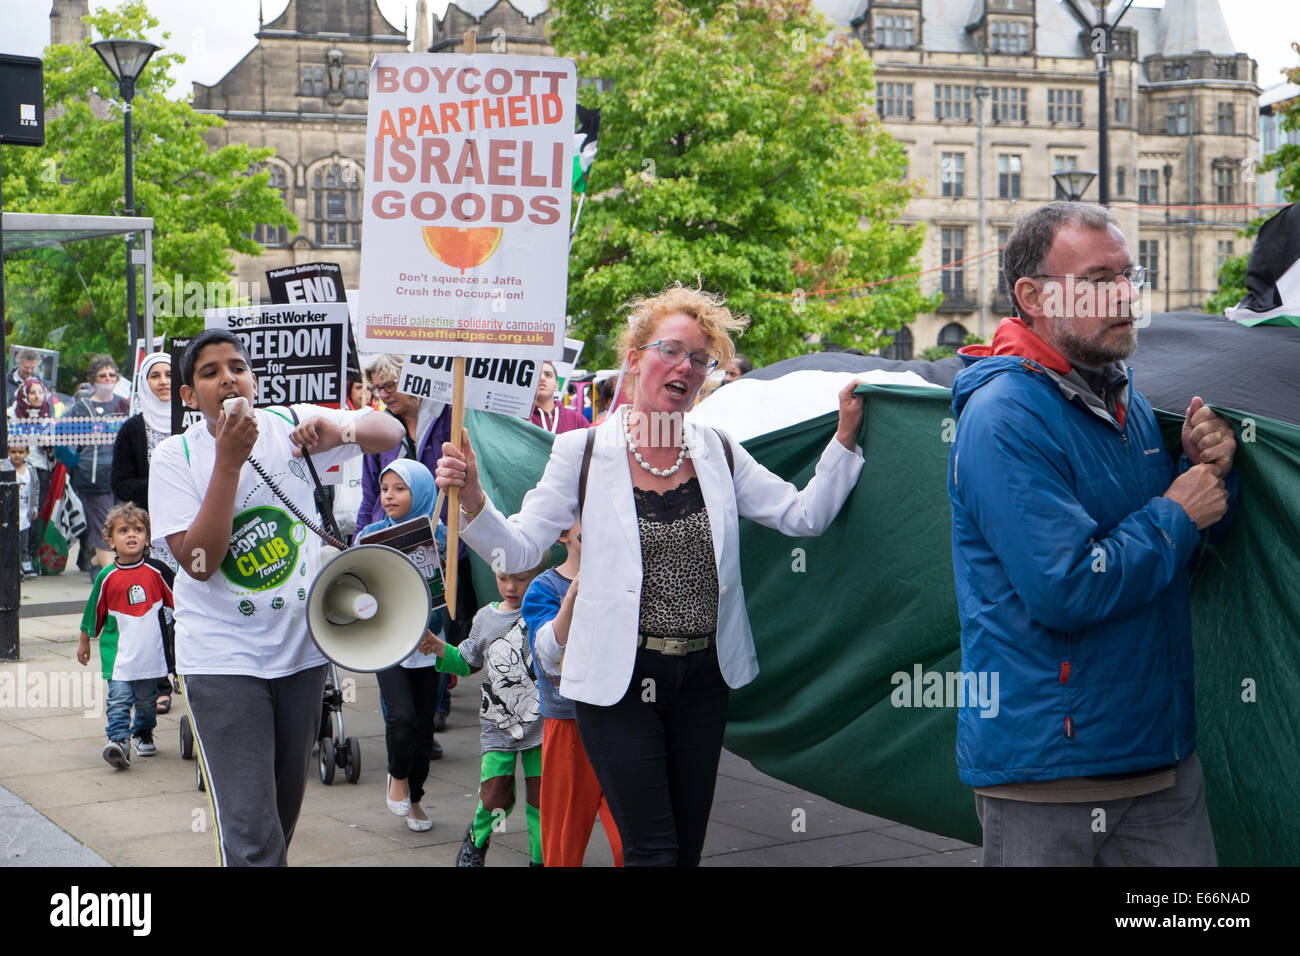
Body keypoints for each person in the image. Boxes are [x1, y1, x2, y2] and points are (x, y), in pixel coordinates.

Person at [436, 284, 867, 866]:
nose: (687, 367)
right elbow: (515, 553)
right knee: (653, 849)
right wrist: (475, 502)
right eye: (673, 350)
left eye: (700, 359)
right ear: (635, 359)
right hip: (618, 680)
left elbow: (802, 515)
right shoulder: (581, 450)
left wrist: (843, 440)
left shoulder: (717, 449)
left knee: (684, 850)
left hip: (702, 679)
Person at [948, 202, 1239, 867]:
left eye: (1128, 276)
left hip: (1157, 759)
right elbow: (1067, 587)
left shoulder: (1118, 397)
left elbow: (1169, 553)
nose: (1126, 295)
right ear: (1033, 296)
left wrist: (1207, 471)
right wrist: (1177, 508)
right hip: (1047, 777)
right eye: (1100, 278)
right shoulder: (1004, 416)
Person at [148, 329, 403, 866]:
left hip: (300, 656)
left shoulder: (290, 422)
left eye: (237, 367)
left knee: (279, 821)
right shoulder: (175, 456)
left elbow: (391, 432)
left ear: (254, 380)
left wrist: (342, 427)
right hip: (222, 662)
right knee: (252, 835)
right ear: (190, 396)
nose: (227, 379)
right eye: (210, 372)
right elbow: (199, 563)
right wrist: (228, 463)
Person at [358, 353, 475, 736]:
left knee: (436, 622)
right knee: (388, 622)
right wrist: (359, 537)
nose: (383, 394)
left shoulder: (449, 417)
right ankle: (399, 721)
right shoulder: (380, 428)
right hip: (387, 539)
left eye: (389, 385)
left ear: (413, 381)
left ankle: (432, 710)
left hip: (440, 540)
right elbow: (369, 489)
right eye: (376, 388)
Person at [427, 565, 546, 866]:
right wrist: (440, 647)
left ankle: (541, 859)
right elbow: (468, 662)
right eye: (503, 578)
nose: (511, 586)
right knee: (495, 798)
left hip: (542, 729)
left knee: (543, 801)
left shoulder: (546, 611)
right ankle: (476, 843)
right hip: (498, 728)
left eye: (521, 579)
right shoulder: (485, 618)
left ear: (538, 575)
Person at [522, 519, 624, 867]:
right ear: (565, 533)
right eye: (587, 511)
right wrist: (574, 596)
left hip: (621, 720)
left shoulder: (624, 578)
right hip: (569, 723)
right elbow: (548, 657)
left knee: (634, 840)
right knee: (563, 843)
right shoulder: (543, 588)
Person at [355, 459, 448, 833]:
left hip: (429, 644)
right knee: (401, 715)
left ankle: (417, 799)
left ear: (422, 492)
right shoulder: (370, 535)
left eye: (400, 489)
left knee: (424, 728)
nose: (389, 497)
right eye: (385, 488)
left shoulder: (442, 533)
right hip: (386, 641)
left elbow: (450, 594)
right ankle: (397, 776)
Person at [76, 503, 174, 769]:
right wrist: (85, 639)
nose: (131, 535)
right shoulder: (106, 577)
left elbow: (180, 603)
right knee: (118, 699)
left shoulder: (157, 573)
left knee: (145, 702)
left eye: (138, 530)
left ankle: (142, 733)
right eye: (123, 530)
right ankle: (118, 742)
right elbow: (92, 611)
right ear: (110, 540)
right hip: (117, 656)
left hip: (150, 655)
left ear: (147, 538)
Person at [111, 351, 178, 712]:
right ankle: (159, 682)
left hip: (190, 528)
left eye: (169, 374)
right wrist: (160, 484)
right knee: (154, 610)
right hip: (152, 534)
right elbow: (120, 482)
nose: (164, 381)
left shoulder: (192, 423)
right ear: (144, 383)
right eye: (155, 376)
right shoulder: (133, 429)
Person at [68, 354, 130, 575]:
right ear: (93, 379)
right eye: (102, 375)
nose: (108, 378)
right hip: (93, 478)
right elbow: (60, 440)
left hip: (121, 477)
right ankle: (108, 577)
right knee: (105, 528)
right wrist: (77, 462)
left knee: (122, 524)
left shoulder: (124, 403)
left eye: (112, 375)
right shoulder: (81, 407)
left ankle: (98, 561)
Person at [529, 360, 589, 434]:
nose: (542, 378)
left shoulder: (576, 419)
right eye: (536, 375)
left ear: (557, 385)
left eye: (548, 375)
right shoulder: (521, 420)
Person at [9, 442, 40, 580]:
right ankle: (14, 567)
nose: (17, 455)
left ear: (27, 453)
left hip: (25, 512)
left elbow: (35, 489)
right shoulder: (6, 468)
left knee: (24, 542)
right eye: (13, 452)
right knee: (11, 541)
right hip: (11, 513)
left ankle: (25, 565)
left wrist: (34, 508)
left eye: (21, 452)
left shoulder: (30, 470)